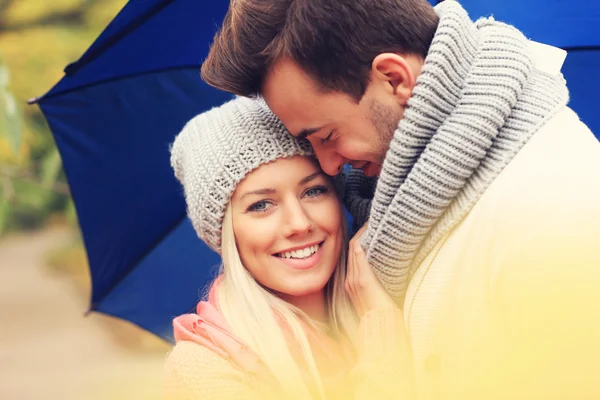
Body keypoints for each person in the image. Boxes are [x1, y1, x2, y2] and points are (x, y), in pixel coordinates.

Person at [199, 0, 600, 398]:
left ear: (394, 78)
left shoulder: (553, 214)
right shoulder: (417, 200)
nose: (330, 167)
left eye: (326, 136)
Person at [163, 97, 414, 400]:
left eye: (314, 191)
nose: (299, 223)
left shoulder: (410, 292)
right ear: (223, 233)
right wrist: (384, 336)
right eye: (261, 205)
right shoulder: (202, 369)